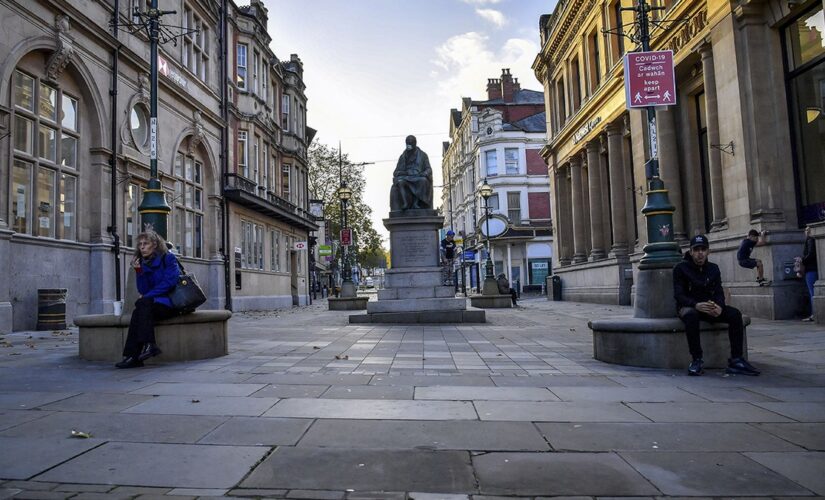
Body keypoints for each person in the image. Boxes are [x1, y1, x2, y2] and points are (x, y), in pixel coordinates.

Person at [673, 235, 760, 376]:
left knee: (734, 314)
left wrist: (719, 306)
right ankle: (697, 360)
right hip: (690, 307)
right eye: (696, 250)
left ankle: (736, 360)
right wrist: (695, 305)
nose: (700, 253)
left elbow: (719, 291)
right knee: (691, 316)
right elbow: (679, 295)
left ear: (708, 252)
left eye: (703, 249)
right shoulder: (681, 268)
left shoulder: (713, 268)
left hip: (710, 307)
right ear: (690, 252)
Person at [116, 231, 180, 369]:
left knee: (141, 304)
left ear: (155, 245)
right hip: (151, 305)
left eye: (146, 244)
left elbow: (170, 282)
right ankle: (144, 349)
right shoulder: (143, 263)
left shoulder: (168, 258)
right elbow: (143, 289)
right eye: (140, 244)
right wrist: (139, 271)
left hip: (169, 303)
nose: (142, 247)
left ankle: (135, 355)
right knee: (139, 310)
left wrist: (147, 296)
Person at [390, 135, 433, 212]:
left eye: (410, 143)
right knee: (400, 182)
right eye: (407, 143)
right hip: (407, 177)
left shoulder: (423, 155)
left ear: (415, 143)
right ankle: (405, 203)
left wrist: (425, 173)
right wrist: (404, 172)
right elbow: (396, 172)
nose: (408, 145)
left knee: (423, 181)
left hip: (418, 176)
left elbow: (429, 169)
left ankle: (416, 203)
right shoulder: (403, 156)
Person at [801, 226, 818, 322]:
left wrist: (802, 260)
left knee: (812, 292)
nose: (807, 232)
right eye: (806, 230)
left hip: (811, 269)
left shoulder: (810, 240)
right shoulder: (813, 239)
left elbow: (811, 254)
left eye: (809, 230)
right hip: (814, 268)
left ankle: (814, 314)